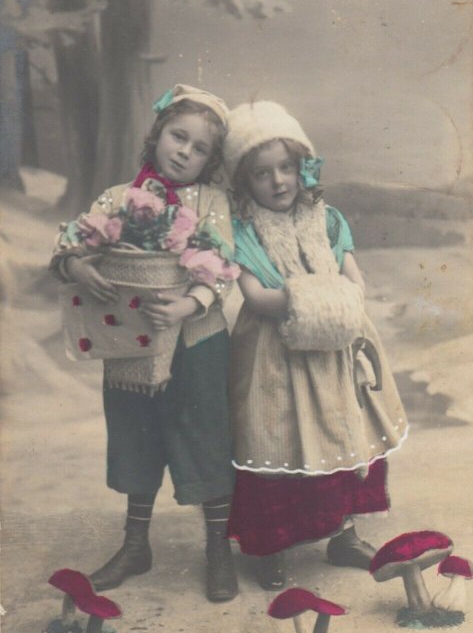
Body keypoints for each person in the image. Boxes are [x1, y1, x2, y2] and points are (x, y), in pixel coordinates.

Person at [50, 84, 239, 602]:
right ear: (157, 135)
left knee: (205, 435)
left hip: (197, 339)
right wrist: (79, 267)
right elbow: (70, 242)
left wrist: (189, 302)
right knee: (136, 435)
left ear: (211, 160)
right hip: (130, 340)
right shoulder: (118, 197)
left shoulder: (213, 201)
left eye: (200, 148)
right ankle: (136, 544)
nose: (185, 152)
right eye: (179, 137)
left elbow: (223, 266)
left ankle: (218, 548)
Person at [223, 100, 408, 591]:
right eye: (262, 173)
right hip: (274, 350)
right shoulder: (242, 230)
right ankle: (272, 547)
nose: (279, 181)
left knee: (338, 431)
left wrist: (343, 301)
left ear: (302, 166)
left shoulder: (326, 220)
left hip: (335, 344)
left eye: (286, 167)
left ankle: (342, 533)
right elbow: (257, 296)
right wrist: (308, 298)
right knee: (278, 440)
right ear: (245, 181)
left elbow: (353, 277)